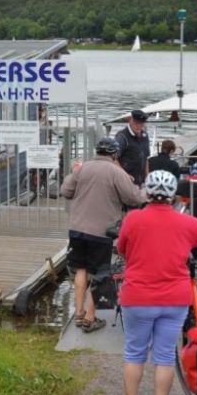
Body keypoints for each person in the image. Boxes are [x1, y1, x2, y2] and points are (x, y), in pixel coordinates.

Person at [117, 170, 197, 395]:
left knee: (134, 353)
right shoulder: (186, 222)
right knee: (164, 356)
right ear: (173, 195)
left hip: (138, 297)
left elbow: (121, 248)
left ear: (148, 193)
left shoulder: (132, 219)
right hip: (174, 299)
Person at [61, 137, 146, 333]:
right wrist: (146, 193)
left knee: (80, 269)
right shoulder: (117, 172)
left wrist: (73, 173)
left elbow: (66, 191)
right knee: (99, 274)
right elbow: (132, 198)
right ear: (115, 154)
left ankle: (79, 313)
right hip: (101, 232)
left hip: (77, 228)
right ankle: (91, 319)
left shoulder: (83, 168)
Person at [115, 109, 150, 186]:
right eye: (136, 123)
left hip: (141, 182)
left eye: (141, 124)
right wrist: (125, 176)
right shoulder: (122, 137)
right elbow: (114, 158)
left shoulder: (145, 136)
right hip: (126, 182)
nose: (138, 126)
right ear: (131, 120)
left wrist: (148, 177)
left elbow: (146, 158)